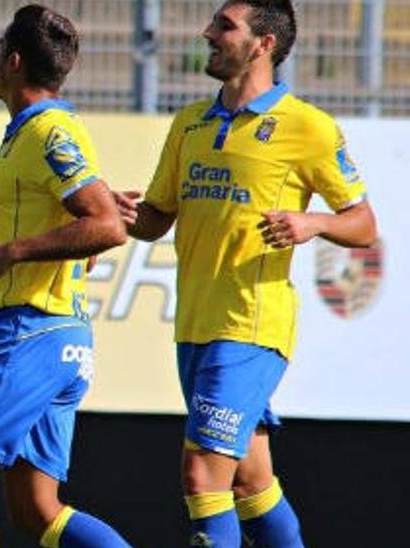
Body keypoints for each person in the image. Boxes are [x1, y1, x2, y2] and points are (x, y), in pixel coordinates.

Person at [115, 1, 378, 545]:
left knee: (201, 476)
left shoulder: (307, 128)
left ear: (263, 45)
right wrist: (111, 212)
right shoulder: (190, 123)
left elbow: (363, 224)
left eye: (224, 26)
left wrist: (312, 222)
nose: (207, 33)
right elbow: (157, 217)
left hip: (251, 328)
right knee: (251, 484)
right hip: (194, 328)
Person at [0, 5, 131, 548]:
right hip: (64, 337)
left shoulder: (49, 132)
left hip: (30, 333)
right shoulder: (31, 133)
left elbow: (107, 227)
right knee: (35, 509)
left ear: (13, 61)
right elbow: (79, 231)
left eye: (0, 50)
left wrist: (9, 251)